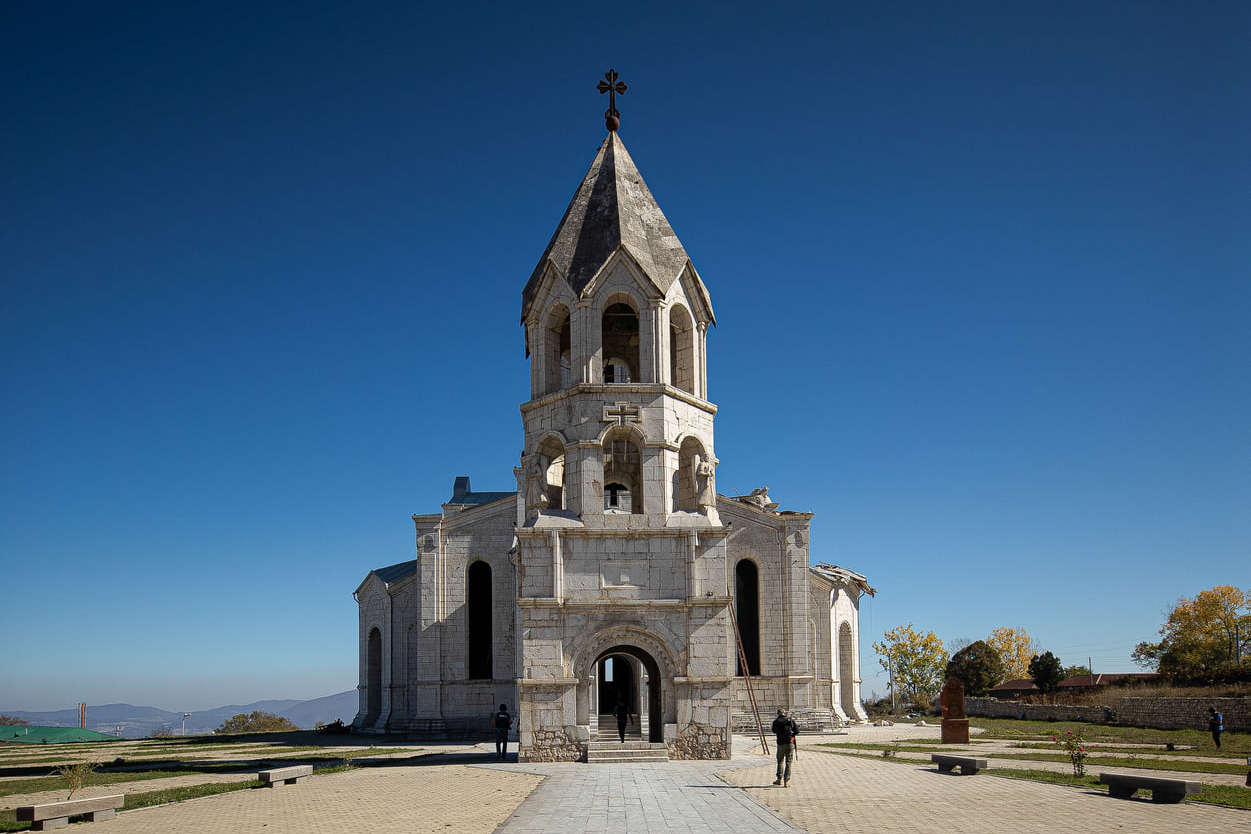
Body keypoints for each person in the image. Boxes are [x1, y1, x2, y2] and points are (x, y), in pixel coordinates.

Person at [771, 708, 799, 787]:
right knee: (788, 762)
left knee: (780, 761)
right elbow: (797, 731)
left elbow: (773, 731)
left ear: (778, 714)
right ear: (784, 713)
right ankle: (786, 781)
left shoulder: (776, 721)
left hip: (780, 744)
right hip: (790, 743)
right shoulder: (790, 720)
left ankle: (779, 779)